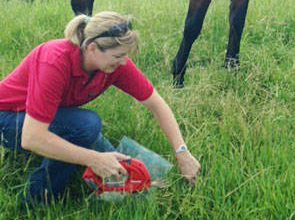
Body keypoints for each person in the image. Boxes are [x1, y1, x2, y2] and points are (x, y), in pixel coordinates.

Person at [0, 11, 200, 203]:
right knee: (86, 126)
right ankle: (40, 198)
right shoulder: (54, 61)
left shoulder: (114, 64)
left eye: (125, 55)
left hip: (44, 117)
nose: (124, 62)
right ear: (93, 48)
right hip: (8, 118)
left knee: (105, 151)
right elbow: (31, 137)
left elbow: (156, 105)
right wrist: (93, 159)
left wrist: (182, 151)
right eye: (118, 56)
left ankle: (127, 186)